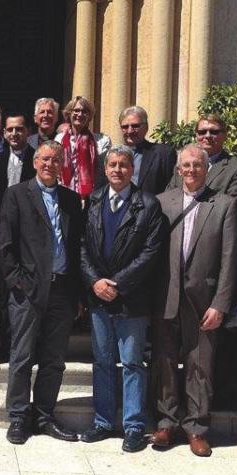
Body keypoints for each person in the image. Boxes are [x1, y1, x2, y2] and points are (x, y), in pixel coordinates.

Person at [151, 144, 237, 457]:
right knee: (163, 361)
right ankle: (166, 421)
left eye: (197, 165)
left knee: (200, 365)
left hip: (204, 300)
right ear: (178, 170)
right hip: (165, 296)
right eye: (185, 166)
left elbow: (230, 258)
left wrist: (221, 303)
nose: (191, 170)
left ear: (207, 169)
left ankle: (197, 427)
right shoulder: (162, 202)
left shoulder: (225, 204)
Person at [79, 146, 167, 450]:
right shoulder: (92, 200)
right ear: (105, 169)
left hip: (132, 298)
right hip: (99, 297)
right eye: (112, 165)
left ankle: (133, 426)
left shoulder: (148, 204)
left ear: (133, 170)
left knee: (131, 363)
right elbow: (82, 245)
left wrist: (117, 283)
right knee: (102, 362)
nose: (117, 170)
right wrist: (94, 282)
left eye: (123, 165)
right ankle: (102, 422)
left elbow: (151, 253)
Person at [0, 141, 83, 444]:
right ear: (35, 162)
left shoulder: (72, 200)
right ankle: (19, 415)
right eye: (44, 159)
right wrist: (16, 281)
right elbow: (4, 243)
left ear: (62, 164)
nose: (50, 164)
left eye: (56, 160)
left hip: (62, 289)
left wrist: (77, 293)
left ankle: (44, 414)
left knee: (54, 357)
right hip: (28, 289)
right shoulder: (17, 195)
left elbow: (76, 246)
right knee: (22, 355)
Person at [0, 113, 36, 363]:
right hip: (0, 241)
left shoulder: (38, 159)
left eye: (20, 129)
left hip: (29, 241)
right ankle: (6, 345)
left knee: (27, 294)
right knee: (3, 294)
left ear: (28, 131)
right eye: (10, 130)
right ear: (4, 133)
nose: (14, 134)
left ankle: (27, 347)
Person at [167, 113, 237, 213]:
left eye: (214, 132)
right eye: (202, 132)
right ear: (196, 136)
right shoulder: (183, 165)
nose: (207, 136)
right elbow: (169, 198)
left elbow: (232, 206)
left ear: (224, 135)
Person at [54, 96, 111, 204]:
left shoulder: (102, 141)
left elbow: (105, 174)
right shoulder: (59, 139)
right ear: (69, 114)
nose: (80, 114)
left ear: (89, 116)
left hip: (93, 200)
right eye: (76, 110)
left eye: (84, 111)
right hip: (64, 198)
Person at [118, 106, 175, 194]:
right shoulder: (115, 155)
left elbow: (172, 188)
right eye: (125, 127)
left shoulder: (163, 154)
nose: (130, 131)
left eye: (135, 126)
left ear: (146, 127)